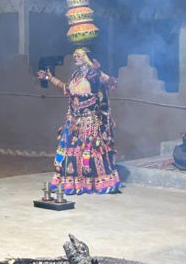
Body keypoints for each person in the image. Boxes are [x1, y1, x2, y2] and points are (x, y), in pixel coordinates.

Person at [36, 47, 122, 195]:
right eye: (75, 55)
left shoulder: (94, 74)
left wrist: (101, 72)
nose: (76, 57)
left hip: (90, 119)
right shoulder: (75, 75)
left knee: (90, 150)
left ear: (86, 58)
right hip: (74, 119)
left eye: (79, 56)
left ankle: (98, 183)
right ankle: (72, 183)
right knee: (70, 151)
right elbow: (67, 89)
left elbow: (111, 83)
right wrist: (49, 78)